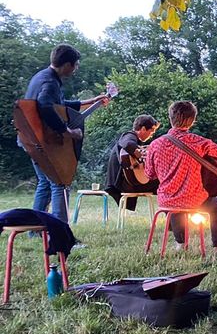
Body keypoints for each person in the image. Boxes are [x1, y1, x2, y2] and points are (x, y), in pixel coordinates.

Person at [24, 43, 112, 223]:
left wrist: (91, 101)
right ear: (67, 65)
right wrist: (68, 131)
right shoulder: (50, 82)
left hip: (30, 140)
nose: (76, 68)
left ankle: (35, 230)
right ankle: (61, 233)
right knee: (59, 183)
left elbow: (61, 104)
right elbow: (45, 106)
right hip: (42, 142)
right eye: (76, 64)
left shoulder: (43, 77)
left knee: (45, 185)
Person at [144, 100, 217, 255]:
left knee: (174, 204)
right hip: (194, 199)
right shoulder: (198, 142)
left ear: (170, 118)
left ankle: (181, 243)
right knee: (216, 206)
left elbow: (149, 174)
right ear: (192, 120)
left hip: (167, 200)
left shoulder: (155, 144)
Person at [104, 114, 160, 211]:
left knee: (162, 182)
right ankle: (172, 218)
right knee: (165, 183)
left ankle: (171, 217)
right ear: (143, 129)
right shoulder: (129, 135)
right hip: (122, 183)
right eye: (151, 131)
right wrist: (139, 153)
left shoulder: (135, 139)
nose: (151, 136)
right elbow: (128, 144)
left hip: (127, 182)